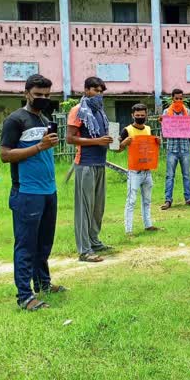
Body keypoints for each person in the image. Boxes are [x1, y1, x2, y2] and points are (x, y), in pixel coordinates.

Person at [0, 74, 65, 310]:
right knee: (26, 245)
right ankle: (25, 296)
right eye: (38, 95)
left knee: (44, 243)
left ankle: (43, 284)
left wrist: (47, 145)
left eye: (47, 95)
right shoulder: (15, 120)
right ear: (27, 93)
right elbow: (5, 155)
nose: (42, 99)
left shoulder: (44, 119)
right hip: (27, 192)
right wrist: (40, 146)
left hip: (49, 190)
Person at [67, 77, 113, 263]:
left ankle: (94, 241)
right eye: (95, 90)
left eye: (101, 91)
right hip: (85, 164)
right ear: (86, 90)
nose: (99, 94)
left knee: (97, 207)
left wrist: (116, 142)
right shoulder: (78, 111)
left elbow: (104, 138)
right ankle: (84, 250)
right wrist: (96, 141)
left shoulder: (100, 113)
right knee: (84, 209)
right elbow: (70, 138)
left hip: (100, 163)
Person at [119, 104, 161, 236]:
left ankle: (148, 225)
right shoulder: (127, 130)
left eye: (142, 115)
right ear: (132, 115)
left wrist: (157, 142)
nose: (140, 117)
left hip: (147, 170)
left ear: (146, 115)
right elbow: (117, 148)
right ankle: (128, 230)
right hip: (134, 171)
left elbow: (151, 147)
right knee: (131, 201)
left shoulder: (148, 129)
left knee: (147, 200)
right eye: (137, 116)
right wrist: (123, 143)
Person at [161, 88, 190, 210]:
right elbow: (164, 131)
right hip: (171, 148)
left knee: (186, 175)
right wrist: (162, 123)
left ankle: (188, 198)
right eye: (176, 98)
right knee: (169, 175)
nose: (178, 100)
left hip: (185, 148)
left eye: (180, 98)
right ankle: (168, 200)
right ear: (172, 98)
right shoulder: (166, 112)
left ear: (183, 99)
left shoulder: (187, 112)